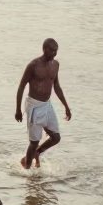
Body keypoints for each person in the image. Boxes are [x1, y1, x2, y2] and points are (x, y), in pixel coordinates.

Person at [15, 38, 71, 169]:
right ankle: (27, 170)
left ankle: (37, 153)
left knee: (56, 137)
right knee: (33, 142)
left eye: (56, 51)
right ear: (45, 49)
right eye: (52, 51)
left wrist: (66, 107)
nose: (54, 54)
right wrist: (18, 109)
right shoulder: (33, 65)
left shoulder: (55, 65)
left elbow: (56, 85)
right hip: (33, 105)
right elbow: (21, 86)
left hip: (47, 105)